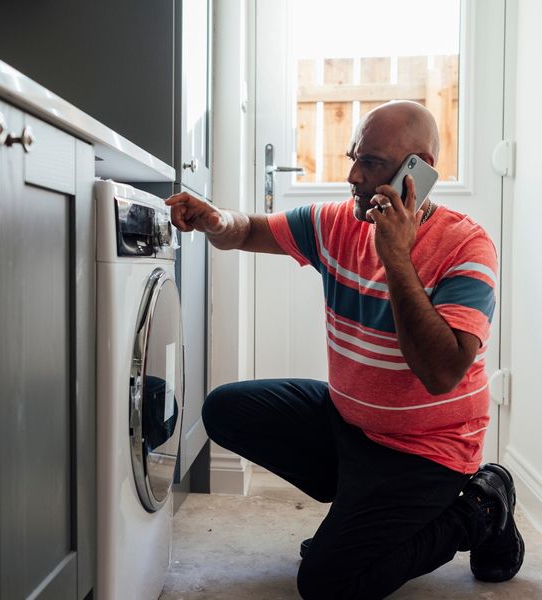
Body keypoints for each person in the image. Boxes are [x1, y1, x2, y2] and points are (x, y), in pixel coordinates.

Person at [166, 101, 524, 599]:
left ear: (416, 169)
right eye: (354, 157)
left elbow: (441, 373)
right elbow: (247, 230)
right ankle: (361, 504)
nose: (352, 175)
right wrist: (214, 219)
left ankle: (480, 509)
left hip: (428, 453)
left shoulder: (467, 246)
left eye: (371, 162)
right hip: (351, 425)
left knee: (328, 583)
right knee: (225, 409)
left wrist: (395, 256)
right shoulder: (336, 223)